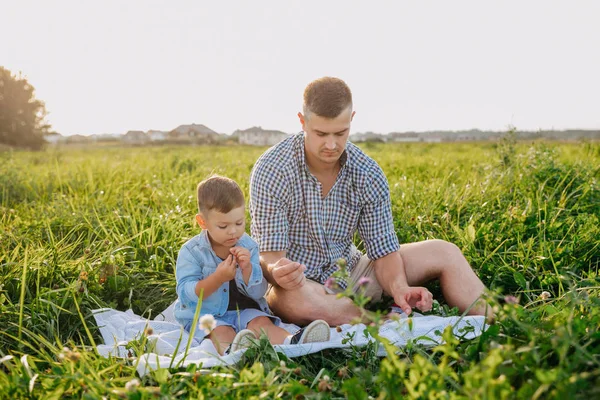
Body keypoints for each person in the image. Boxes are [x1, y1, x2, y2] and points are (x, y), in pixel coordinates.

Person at [249, 77, 491, 327]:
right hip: (299, 285)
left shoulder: (367, 172)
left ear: (351, 119)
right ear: (302, 121)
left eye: (340, 133)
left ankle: (499, 321)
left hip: (355, 274)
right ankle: (378, 321)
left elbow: (384, 251)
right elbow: (270, 256)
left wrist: (400, 287)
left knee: (445, 251)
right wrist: (276, 272)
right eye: (321, 133)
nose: (332, 145)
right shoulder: (273, 169)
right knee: (288, 300)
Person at [174, 175, 331, 355]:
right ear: (203, 222)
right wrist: (218, 278)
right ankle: (234, 351)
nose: (233, 231)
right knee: (220, 331)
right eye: (223, 226)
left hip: (245, 309)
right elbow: (187, 295)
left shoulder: (247, 245)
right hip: (207, 315)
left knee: (261, 323)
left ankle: (295, 342)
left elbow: (258, 292)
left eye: (239, 223)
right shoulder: (192, 252)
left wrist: (247, 269)